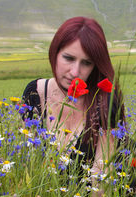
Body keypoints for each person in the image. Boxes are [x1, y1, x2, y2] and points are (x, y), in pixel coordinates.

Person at [21, 17, 125, 175]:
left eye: (86, 63)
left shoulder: (105, 100)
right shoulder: (35, 93)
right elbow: (27, 162)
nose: (75, 72)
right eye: (68, 58)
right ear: (55, 53)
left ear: (95, 66)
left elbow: (101, 176)